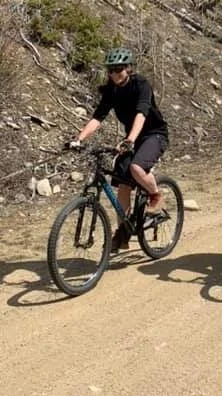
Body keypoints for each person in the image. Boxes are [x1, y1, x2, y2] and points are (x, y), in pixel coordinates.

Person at [70, 47, 170, 251]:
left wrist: (131, 139)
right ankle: (123, 230)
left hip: (154, 134)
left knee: (136, 168)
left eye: (119, 69)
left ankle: (156, 196)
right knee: (123, 183)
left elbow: (141, 114)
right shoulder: (111, 90)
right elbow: (98, 118)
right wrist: (78, 139)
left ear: (128, 68)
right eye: (111, 70)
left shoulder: (140, 84)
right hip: (132, 138)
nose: (115, 73)